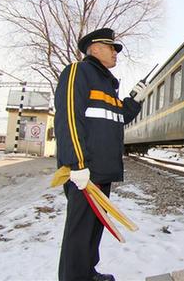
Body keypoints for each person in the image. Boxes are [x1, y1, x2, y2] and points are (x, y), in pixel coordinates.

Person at [54, 28, 146, 281]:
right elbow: (69, 119)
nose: (116, 52)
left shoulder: (106, 84)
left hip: (101, 169)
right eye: (111, 47)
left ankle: (87, 273)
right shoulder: (78, 71)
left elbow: (118, 117)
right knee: (80, 231)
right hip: (85, 170)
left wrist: (135, 100)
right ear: (94, 48)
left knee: (94, 228)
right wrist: (77, 163)